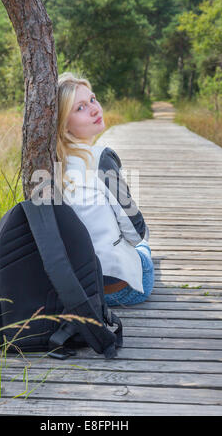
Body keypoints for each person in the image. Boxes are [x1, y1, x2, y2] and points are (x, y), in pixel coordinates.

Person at [56, 71, 154, 307]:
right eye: (80, 108)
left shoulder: (50, 164)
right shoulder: (100, 159)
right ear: (63, 122)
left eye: (92, 99)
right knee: (144, 246)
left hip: (73, 288)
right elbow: (135, 231)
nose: (94, 109)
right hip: (115, 289)